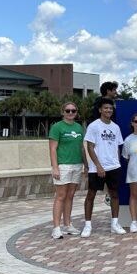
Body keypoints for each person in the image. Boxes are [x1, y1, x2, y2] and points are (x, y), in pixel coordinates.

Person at [81, 98, 125, 236]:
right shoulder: (94, 126)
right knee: (91, 196)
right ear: (100, 110)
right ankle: (87, 226)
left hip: (114, 167)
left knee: (115, 195)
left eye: (110, 108)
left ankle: (115, 224)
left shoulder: (115, 127)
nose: (108, 110)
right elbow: (90, 147)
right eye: (106, 108)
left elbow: (117, 146)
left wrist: (117, 162)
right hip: (97, 168)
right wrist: (99, 166)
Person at [48, 101, 85, 239]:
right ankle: (56, 228)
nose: (70, 113)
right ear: (63, 112)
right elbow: (52, 148)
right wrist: (55, 167)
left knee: (70, 195)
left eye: (73, 111)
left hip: (77, 165)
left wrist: (86, 165)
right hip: (63, 165)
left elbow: (81, 148)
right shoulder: (57, 127)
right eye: (68, 110)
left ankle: (67, 224)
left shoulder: (79, 127)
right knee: (61, 196)